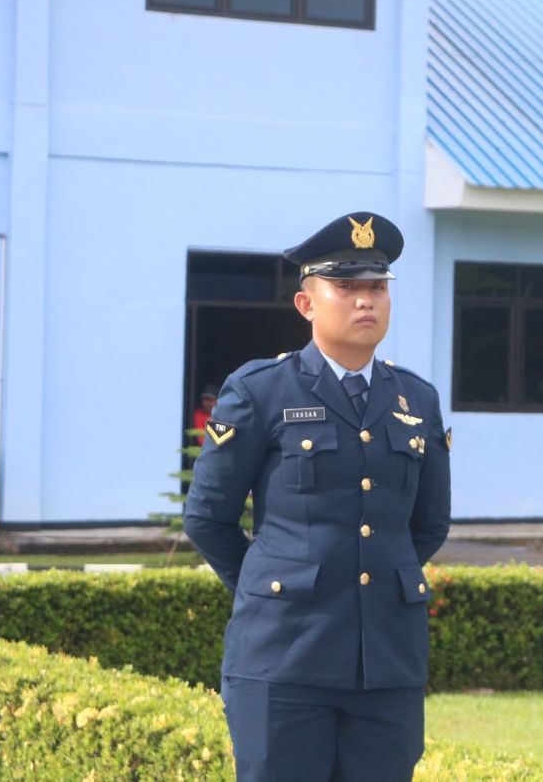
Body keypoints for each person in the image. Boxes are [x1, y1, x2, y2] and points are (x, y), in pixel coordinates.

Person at [184, 212, 452, 782]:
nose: (366, 302)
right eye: (347, 287)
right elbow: (208, 517)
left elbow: (427, 525)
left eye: (377, 287)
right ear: (307, 304)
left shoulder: (417, 400)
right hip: (283, 660)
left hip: (386, 662)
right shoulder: (261, 392)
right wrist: (274, 585)